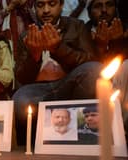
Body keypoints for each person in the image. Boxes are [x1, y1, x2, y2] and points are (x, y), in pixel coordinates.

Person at [12, 0, 102, 145]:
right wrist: (34, 56)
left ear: (61, 5)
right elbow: (21, 77)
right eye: (40, 5)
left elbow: (91, 59)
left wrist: (58, 48)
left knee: (94, 69)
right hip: (40, 89)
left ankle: (80, 134)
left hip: (69, 84)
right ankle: (40, 143)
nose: (46, 10)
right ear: (35, 8)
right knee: (19, 99)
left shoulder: (77, 26)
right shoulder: (27, 35)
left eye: (52, 4)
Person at [86, 0, 128, 132]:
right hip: (93, 90)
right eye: (98, 6)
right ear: (89, 12)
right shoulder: (82, 31)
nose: (104, 10)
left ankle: (122, 131)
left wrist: (119, 42)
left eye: (109, 4)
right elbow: (85, 69)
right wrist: (100, 47)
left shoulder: (125, 29)